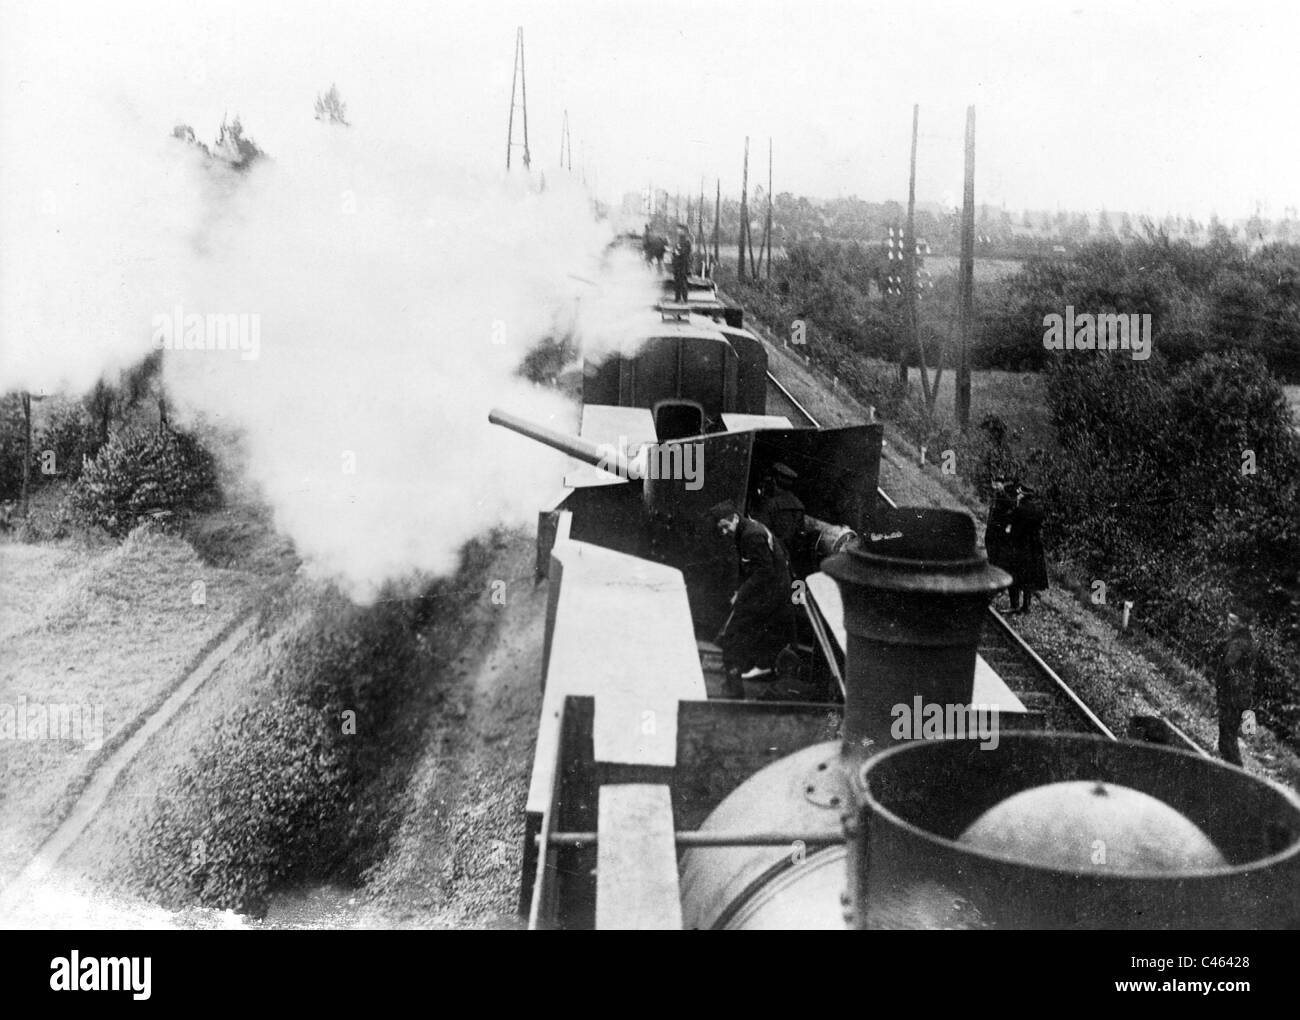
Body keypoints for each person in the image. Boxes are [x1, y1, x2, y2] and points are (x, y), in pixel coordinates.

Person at [707, 499, 797, 699]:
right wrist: (740, 589)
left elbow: (764, 571)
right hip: (772, 591)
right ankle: (759, 668)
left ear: (734, 519)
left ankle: (734, 690)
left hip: (770, 593)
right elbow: (750, 567)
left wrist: (742, 594)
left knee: (732, 636)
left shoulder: (751, 536)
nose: (724, 532)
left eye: (725, 527)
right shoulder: (747, 530)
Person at [1214, 607, 1258, 766]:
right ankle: (1231, 771)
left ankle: (1236, 774)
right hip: (1236, 696)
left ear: (1243, 624)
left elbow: (1229, 662)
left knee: (1227, 739)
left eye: (1233, 621)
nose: (1229, 623)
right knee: (1227, 737)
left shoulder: (1240, 642)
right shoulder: (1243, 639)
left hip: (1233, 697)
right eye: (1229, 619)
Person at [1006, 482, 1048, 614]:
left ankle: (1014, 605)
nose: (1018, 493)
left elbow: (1012, 526)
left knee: (1013, 574)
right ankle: (1026, 606)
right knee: (1028, 577)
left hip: (1019, 545)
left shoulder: (1020, 509)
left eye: (1019, 492)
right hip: (1034, 546)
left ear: (1023, 494)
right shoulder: (1039, 508)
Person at [755, 462, 806, 570]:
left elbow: (760, 532)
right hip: (787, 560)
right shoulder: (799, 506)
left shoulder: (771, 504)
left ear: (774, 481)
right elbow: (800, 537)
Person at [984, 476, 1016, 590]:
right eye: (996, 483)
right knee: (989, 547)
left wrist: (1002, 491)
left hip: (998, 529)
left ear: (1002, 484)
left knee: (996, 555)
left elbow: (1012, 506)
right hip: (991, 527)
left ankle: (995, 579)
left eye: (999, 484)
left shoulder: (1005, 494)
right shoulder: (995, 494)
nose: (996, 486)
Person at [670, 224, 693, 304]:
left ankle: (684, 299)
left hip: (683, 265)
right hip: (677, 265)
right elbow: (675, 252)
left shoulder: (687, 242)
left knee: (683, 282)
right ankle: (677, 298)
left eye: (680, 229)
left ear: (684, 231)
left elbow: (684, 253)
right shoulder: (679, 241)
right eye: (678, 229)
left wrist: (677, 252)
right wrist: (674, 253)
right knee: (677, 281)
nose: (678, 231)